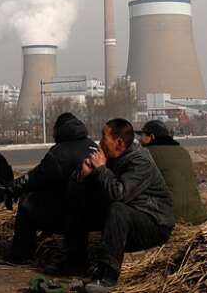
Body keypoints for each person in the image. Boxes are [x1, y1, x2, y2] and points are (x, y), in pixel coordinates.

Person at [50, 118, 174, 293]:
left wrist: (101, 170)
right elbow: (81, 190)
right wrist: (82, 176)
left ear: (119, 143)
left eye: (103, 138)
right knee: (78, 204)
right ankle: (74, 264)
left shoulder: (140, 161)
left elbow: (119, 194)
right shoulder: (110, 157)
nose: (99, 143)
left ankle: (107, 276)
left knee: (117, 208)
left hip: (153, 222)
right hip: (125, 219)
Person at [0, 112, 96, 264]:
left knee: (28, 202)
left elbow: (35, 178)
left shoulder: (60, 152)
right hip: (96, 214)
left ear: (58, 129)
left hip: (73, 215)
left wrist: (12, 188)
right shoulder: (92, 145)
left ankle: (21, 254)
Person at [137, 120, 207, 225]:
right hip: (197, 214)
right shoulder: (183, 152)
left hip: (171, 216)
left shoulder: (146, 153)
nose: (139, 139)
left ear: (152, 137)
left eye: (142, 135)